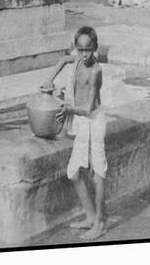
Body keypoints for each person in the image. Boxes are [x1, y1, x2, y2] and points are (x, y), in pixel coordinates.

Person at [44, 26, 108, 241]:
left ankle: (99, 223)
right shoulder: (78, 60)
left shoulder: (95, 70)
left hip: (94, 121)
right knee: (74, 172)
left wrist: (68, 108)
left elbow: (89, 108)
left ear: (95, 48)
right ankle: (90, 216)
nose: (84, 54)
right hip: (81, 121)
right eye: (80, 49)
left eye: (88, 50)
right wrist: (49, 79)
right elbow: (63, 60)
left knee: (98, 173)